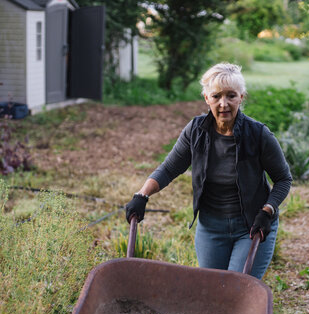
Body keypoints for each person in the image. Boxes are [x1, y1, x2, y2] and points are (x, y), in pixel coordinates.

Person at [125, 63, 292, 279]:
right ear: (206, 98)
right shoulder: (195, 131)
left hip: (252, 225)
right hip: (211, 228)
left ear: (241, 97)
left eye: (231, 96)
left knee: (236, 290)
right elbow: (168, 169)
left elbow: (283, 179)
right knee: (212, 289)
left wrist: (267, 210)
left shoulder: (258, 134)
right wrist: (141, 195)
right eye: (216, 96)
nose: (224, 104)